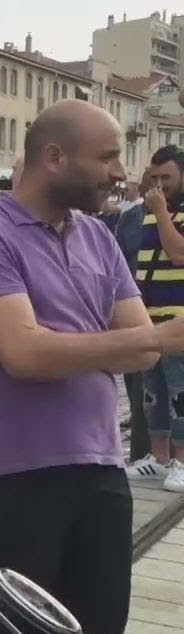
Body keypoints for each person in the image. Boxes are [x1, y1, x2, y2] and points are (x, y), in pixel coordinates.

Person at [0, 99, 184, 634]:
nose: (122, 173)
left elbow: (139, 352)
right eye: (107, 157)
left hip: (100, 469)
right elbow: (25, 354)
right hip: (13, 477)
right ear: (54, 156)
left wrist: (137, 341)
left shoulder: (98, 236)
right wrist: (155, 336)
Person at [124, 146, 184, 492]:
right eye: (155, 177)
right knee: (154, 395)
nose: (159, 185)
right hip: (150, 319)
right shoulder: (144, 214)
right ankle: (159, 459)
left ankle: (181, 460)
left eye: (167, 178)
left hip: (179, 321)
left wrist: (161, 212)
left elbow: (177, 254)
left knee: (181, 394)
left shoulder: (160, 211)